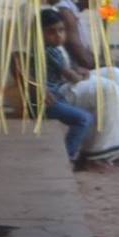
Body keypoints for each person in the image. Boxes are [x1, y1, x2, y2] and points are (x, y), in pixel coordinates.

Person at [44, 0, 119, 161]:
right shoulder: (65, 13)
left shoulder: (71, 11)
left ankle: (117, 145)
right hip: (61, 83)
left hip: (71, 73)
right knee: (110, 85)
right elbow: (82, 58)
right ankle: (99, 152)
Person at [37, 8, 94, 162]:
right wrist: (81, 75)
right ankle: (67, 156)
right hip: (47, 100)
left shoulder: (50, 49)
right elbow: (71, 77)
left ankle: (71, 152)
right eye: (51, 32)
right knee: (84, 119)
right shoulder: (50, 51)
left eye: (61, 30)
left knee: (83, 115)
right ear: (40, 33)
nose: (58, 36)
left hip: (55, 95)